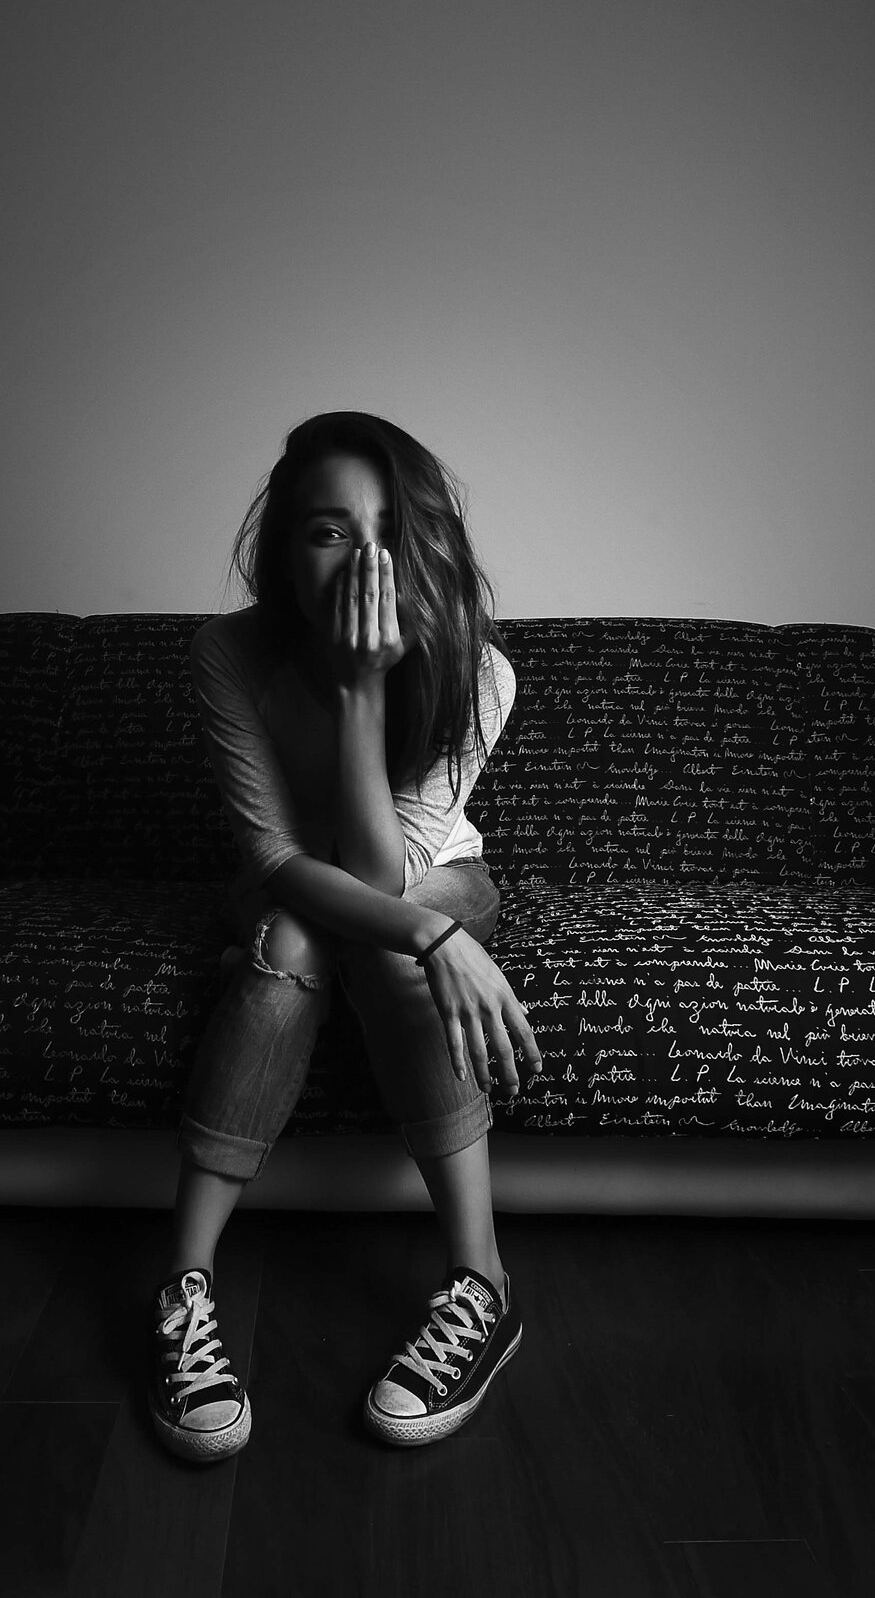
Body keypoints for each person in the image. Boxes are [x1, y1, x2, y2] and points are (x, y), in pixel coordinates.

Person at [149, 411, 542, 1461]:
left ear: (421, 541)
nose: (360, 559)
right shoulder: (228, 653)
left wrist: (364, 693)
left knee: (351, 934)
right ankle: (182, 1285)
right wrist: (428, 938)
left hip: (434, 874)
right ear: (283, 544)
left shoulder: (480, 671)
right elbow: (276, 860)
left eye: (383, 530)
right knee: (294, 931)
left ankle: (483, 1283)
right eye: (326, 530)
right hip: (316, 890)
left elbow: (382, 873)